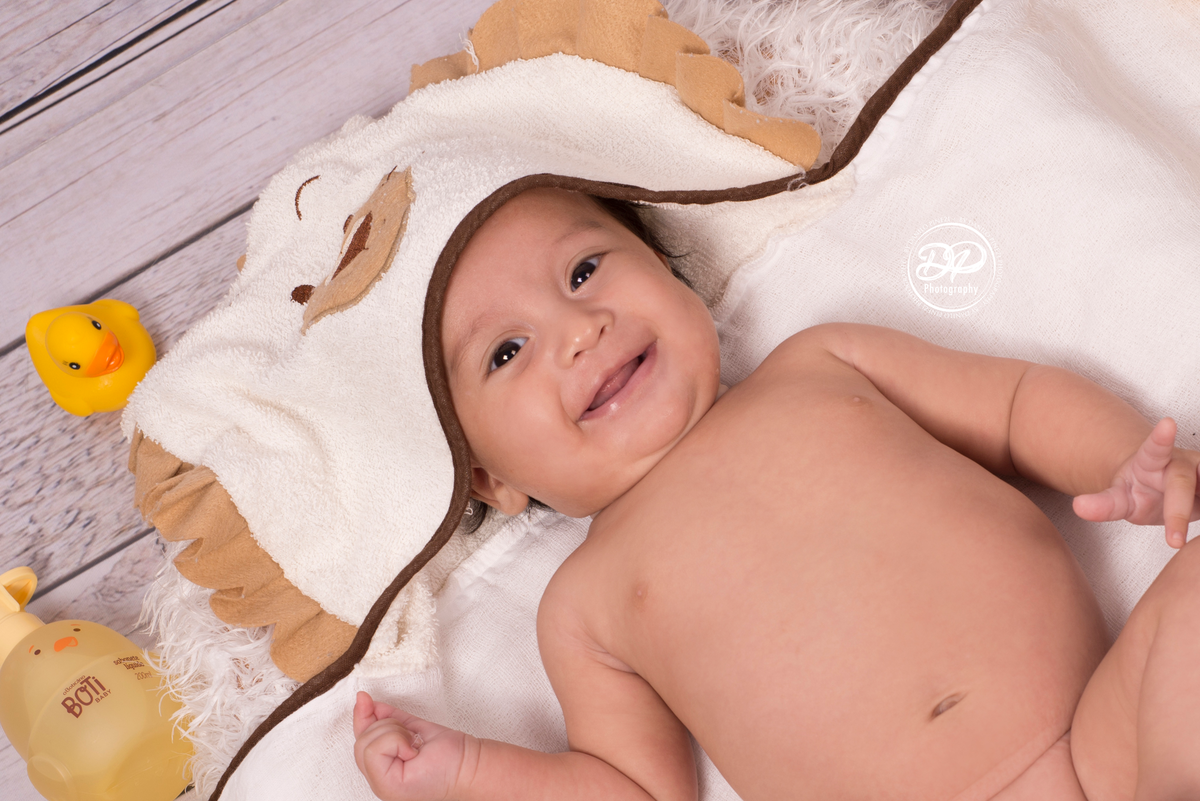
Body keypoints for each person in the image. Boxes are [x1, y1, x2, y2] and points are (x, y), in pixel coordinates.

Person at [351, 188, 1200, 801]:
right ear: (494, 481)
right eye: (507, 351)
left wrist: (1122, 458)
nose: (580, 332)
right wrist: (465, 774)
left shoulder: (825, 362)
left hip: (1110, 743)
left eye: (583, 269)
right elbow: (629, 790)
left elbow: (1016, 407)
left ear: (672, 271)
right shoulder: (583, 605)